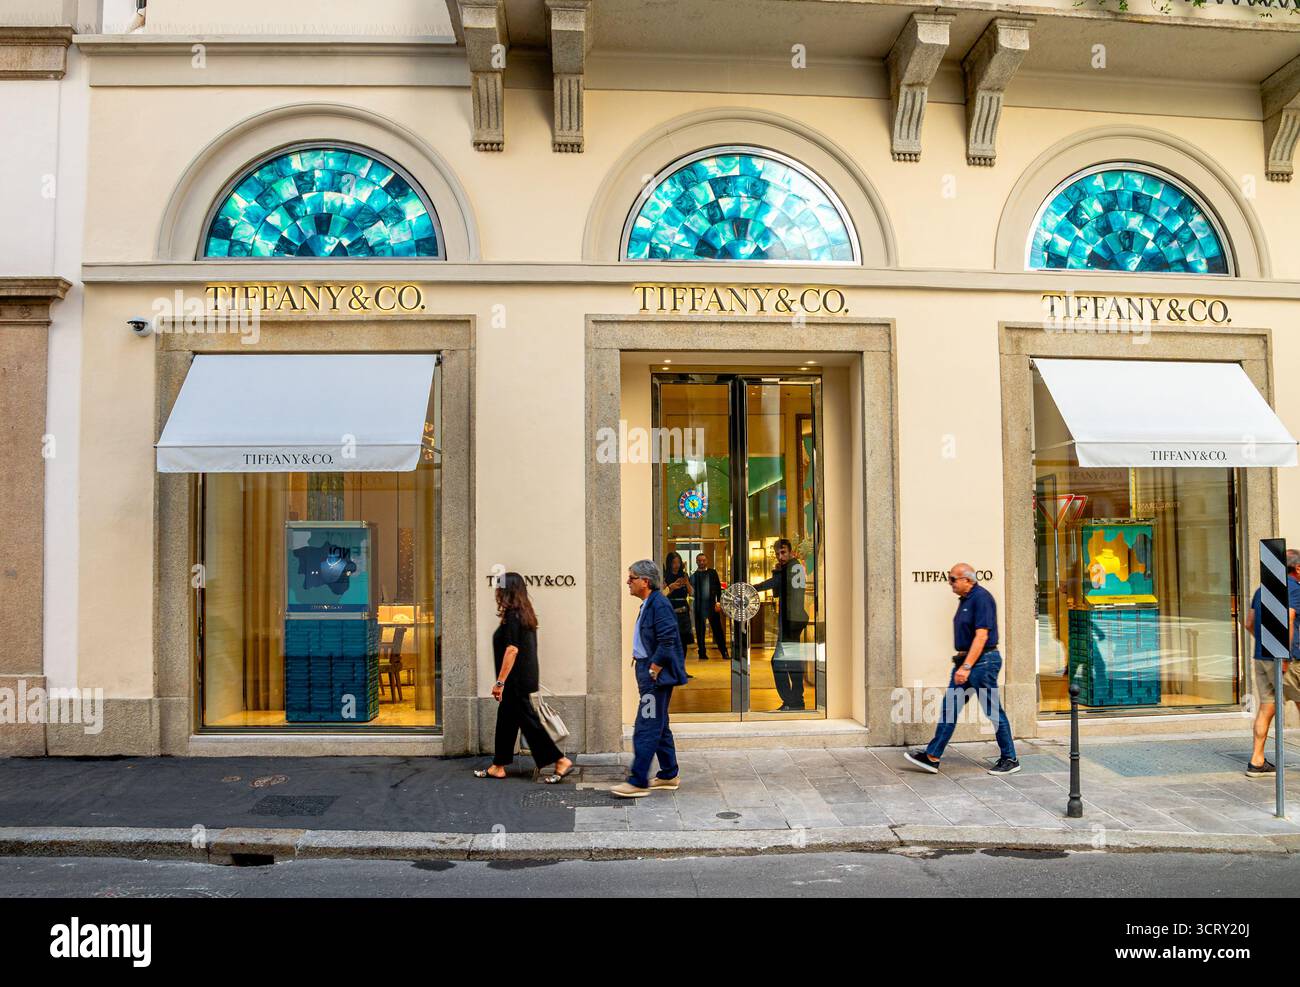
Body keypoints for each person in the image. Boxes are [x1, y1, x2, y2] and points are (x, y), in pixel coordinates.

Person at [904, 563, 1020, 776]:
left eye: (953, 579)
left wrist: (967, 666)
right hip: (966, 662)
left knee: (993, 711)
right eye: (950, 578)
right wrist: (963, 664)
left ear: (968, 580)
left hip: (982, 663)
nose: (950, 583)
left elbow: (982, 635)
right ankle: (932, 757)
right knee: (950, 708)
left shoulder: (981, 598)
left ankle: (1010, 758)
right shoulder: (966, 599)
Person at [473, 572, 575, 784]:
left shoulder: (513, 616)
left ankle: (560, 760)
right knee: (506, 720)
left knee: (529, 723)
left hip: (515, 680)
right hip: (523, 677)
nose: (496, 592)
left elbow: (512, 650)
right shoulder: (525, 613)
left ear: (507, 590)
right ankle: (498, 765)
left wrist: (500, 682)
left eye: (499, 588)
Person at [611, 559, 688, 798]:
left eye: (632, 577)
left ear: (645, 581)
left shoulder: (659, 604)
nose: (628, 582)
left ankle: (638, 781)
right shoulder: (650, 603)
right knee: (660, 724)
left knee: (646, 725)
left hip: (654, 676)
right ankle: (668, 774)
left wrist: (653, 668)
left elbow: (668, 639)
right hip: (648, 672)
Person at [1243, 548, 1300, 778]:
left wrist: (1266, 647)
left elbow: (1249, 623)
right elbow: (1289, 617)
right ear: (1297, 569)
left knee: (1267, 708)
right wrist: (1283, 655)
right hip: (1290, 659)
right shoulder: (1294, 589)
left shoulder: (1261, 590)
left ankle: (1257, 760)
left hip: (1262, 657)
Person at [754, 538, 809, 711]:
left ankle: (792, 701)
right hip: (795, 620)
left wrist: (749, 587)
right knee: (793, 662)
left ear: (791, 551)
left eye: (783, 552)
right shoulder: (795, 567)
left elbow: (770, 585)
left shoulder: (789, 569)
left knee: (778, 663)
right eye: (778, 554)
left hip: (790, 621)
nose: (780, 556)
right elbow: (778, 592)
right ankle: (796, 701)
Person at [691, 551, 729, 662]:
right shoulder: (694, 576)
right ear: (696, 562)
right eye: (700, 560)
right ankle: (702, 653)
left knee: (717, 630)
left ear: (707, 561)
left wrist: (718, 602)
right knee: (700, 631)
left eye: (704, 560)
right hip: (699, 606)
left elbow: (718, 588)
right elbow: (692, 592)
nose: (702, 562)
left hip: (712, 605)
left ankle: (724, 652)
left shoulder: (712, 573)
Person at [662, 551, 695, 650]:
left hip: (683, 608)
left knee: (683, 640)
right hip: (670, 606)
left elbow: (691, 592)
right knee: (671, 637)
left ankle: (681, 660)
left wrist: (687, 582)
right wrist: (671, 587)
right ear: (669, 563)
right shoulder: (665, 576)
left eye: (678, 562)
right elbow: (662, 594)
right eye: (674, 563)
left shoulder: (684, 575)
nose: (676, 565)